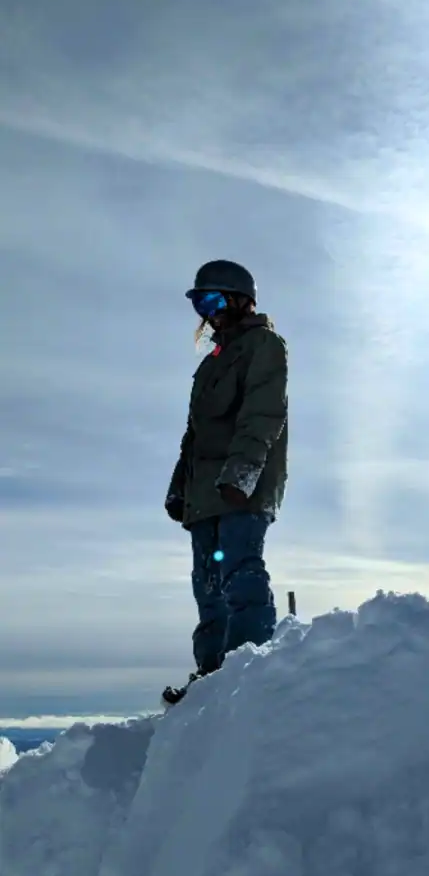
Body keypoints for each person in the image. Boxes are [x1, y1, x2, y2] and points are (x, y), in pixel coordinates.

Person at [162, 260, 288, 705]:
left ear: (240, 300)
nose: (207, 311)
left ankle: (248, 672)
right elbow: (193, 437)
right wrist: (180, 487)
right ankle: (211, 677)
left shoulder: (263, 345)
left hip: (242, 490)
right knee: (207, 586)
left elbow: (263, 415)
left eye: (213, 299)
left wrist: (242, 474)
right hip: (204, 495)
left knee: (239, 572)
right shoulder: (210, 364)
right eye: (200, 302)